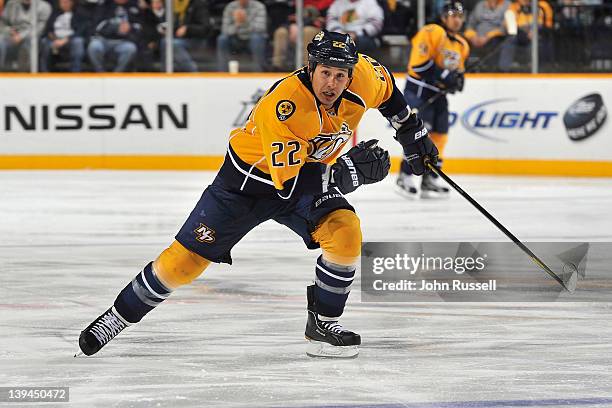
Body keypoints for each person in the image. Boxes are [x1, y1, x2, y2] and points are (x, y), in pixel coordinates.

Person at [76, 30, 436, 359]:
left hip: (308, 179)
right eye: (325, 72)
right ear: (310, 67)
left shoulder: (363, 78)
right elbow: (289, 183)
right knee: (183, 264)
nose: (332, 82)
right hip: (245, 186)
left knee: (346, 233)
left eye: (340, 75)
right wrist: (349, 173)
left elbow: (389, 91)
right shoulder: (286, 104)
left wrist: (413, 132)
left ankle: (323, 323)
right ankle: (116, 318)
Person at [396, 0, 469, 199]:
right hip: (419, 91)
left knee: (440, 134)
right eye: (453, 15)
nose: (457, 20)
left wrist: (457, 80)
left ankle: (429, 177)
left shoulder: (462, 45)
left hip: (439, 95)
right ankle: (405, 175)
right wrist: (445, 76)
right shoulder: (432, 31)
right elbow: (418, 65)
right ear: (444, 17)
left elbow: (457, 71)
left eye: (460, 17)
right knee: (419, 135)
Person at [87, 0, 142, 72]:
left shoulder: (133, 6)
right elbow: (98, 26)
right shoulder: (105, 5)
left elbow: (139, 26)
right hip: (104, 40)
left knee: (131, 48)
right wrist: (115, 27)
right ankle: (101, 74)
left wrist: (130, 27)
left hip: (122, 41)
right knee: (94, 46)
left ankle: (117, 75)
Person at [216, 0, 267, 72]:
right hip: (235, 38)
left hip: (252, 39)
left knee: (257, 38)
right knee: (222, 39)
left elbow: (260, 28)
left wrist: (245, 21)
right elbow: (225, 30)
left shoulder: (259, 6)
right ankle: (222, 72)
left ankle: (258, 72)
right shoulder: (230, 7)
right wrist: (237, 24)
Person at [0, 0, 51, 71]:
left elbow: (41, 28)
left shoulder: (44, 6)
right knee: (1, 41)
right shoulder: (11, 3)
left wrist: (21, 36)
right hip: (12, 36)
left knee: (31, 42)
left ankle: (25, 74)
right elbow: (2, 23)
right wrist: (9, 30)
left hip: (32, 37)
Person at [39, 0, 87, 72]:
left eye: (66, 2)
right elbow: (48, 30)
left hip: (70, 40)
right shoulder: (55, 13)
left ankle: (75, 72)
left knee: (78, 42)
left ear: (71, 3)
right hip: (55, 40)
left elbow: (81, 30)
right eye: (62, 2)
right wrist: (54, 39)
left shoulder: (79, 13)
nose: (64, 4)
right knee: (44, 42)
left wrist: (65, 40)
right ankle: (45, 72)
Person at [463, 0, 510, 71]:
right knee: (463, 40)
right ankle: (469, 69)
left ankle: (491, 70)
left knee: (497, 42)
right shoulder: (480, 5)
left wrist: (488, 37)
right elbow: (470, 24)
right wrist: (472, 36)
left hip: (495, 39)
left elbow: (504, 28)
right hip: (477, 38)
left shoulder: (507, 5)